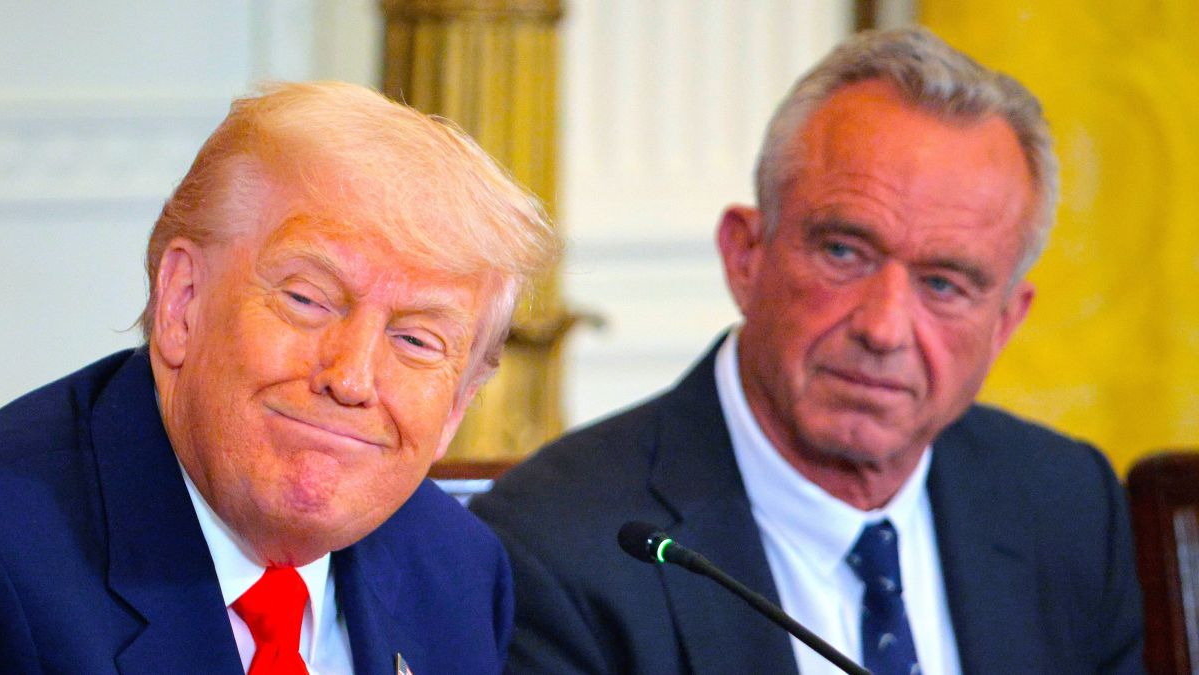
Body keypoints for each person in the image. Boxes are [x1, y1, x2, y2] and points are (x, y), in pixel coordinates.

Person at [471, 27, 1144, 675]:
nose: (883, 329)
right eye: (843, 251)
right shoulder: (558, 545)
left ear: (1004, 323)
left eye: (943, 283)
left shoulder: (1067, 505)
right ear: (745, 255)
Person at [0, 81, 559, 674]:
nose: (351, 379)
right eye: (308, 300)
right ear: (183, 303)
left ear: (457, 406)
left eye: (417, 340)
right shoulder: (15, 565)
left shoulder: (456, 574)